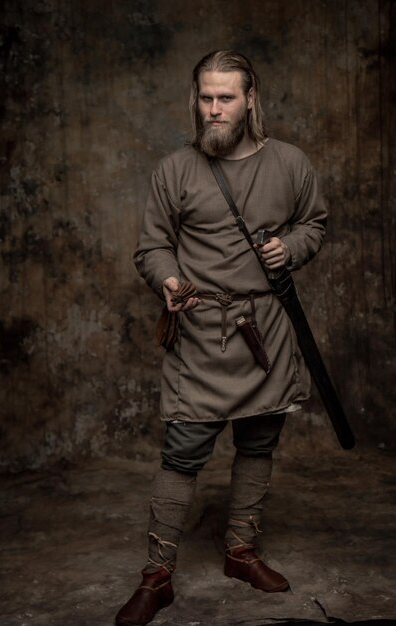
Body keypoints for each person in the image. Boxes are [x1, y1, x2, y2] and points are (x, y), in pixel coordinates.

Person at [115, 50, 327, 626]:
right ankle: (157, 578)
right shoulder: (174, 170)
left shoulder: (290, 163)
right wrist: (168, 278)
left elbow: (314, 222)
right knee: (182, 453)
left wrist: (294, 248)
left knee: (258, 443)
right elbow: (152, 245)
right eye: (205, 97)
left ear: (250, 99)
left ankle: (240, 552)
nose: (213, 109)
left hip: (267, 331)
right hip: (201, 332)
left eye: (225, 98)